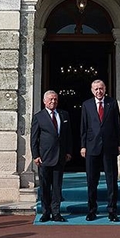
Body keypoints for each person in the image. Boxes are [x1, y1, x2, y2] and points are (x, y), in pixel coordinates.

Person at [80, 79, 120, 222]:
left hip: (110, 147)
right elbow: (84, 127)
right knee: (92, 181)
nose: (99, 91)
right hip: (92, 147)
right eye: (96, 89)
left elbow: (118, 124)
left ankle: (112, 211)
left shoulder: (112, 103)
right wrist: (83, 146)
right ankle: (92, 210)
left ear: (105, 89)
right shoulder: (86, 105)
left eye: (101, 88)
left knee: (111, 180)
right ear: (92, 91)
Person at [31, 90, 72, 222]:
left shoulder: (64, 114)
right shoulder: (38, 117)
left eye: (55, 99)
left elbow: (68, 135)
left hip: (60, 157)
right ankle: (45, 212)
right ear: (44, 101)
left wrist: (68, 152)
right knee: (44, 187)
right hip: (44, 158)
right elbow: (34, 138)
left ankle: (56, 213)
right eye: (50, 99)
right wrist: (35, 155)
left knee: (57, 187)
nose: (53, 101)